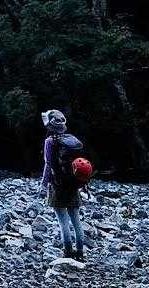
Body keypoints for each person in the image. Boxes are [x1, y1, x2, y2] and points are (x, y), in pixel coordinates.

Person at [40, 109, 85, 260]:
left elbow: (48, 165)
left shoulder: (49, 142)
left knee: (63, 222)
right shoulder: (72, 140)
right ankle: (80, 253)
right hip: (73, 185)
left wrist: (43, 185)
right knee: (76, 221)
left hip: (57, 185)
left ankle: (68, 252)